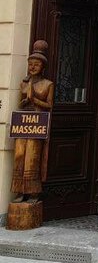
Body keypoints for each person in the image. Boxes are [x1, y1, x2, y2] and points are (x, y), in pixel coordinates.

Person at [11, 40, 54, 204]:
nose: (33, 67)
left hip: (37, 124)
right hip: (23, 124)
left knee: (32, 157)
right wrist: (25, 100)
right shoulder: (23, 83)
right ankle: (19, 191)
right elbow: (20, 103)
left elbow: (49, 105)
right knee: (19, 156)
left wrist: (34, 99)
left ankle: (33, 192)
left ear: (43, 67)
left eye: (36, 64)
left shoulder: (48, 84)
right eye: (30, 64)